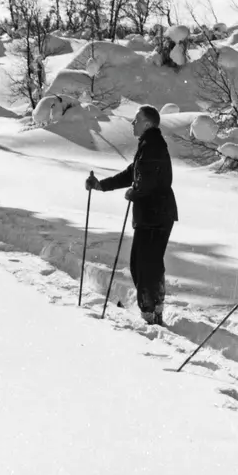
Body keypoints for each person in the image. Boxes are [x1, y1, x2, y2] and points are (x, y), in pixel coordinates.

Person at [85, 105, 178, 325]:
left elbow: (147, 182)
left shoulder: (153, 145)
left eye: (136, 120)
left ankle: (150, 314)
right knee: (147, 264)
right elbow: (133, 173)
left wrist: (134, 192)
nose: (132, 124)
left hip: (155, 215)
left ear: (147, 123)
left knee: (144, 265)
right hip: (155, 214)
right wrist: (102, 185)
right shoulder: (149, 145)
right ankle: (154, 311)